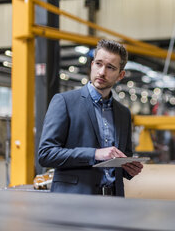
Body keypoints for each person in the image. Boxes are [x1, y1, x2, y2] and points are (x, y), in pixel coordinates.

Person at [38, 39, 143, 196]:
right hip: (75, 201)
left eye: (110, 67)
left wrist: (129, 169)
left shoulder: (123, 113)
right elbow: (46, 154)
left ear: (120, 75)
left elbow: (122, 158)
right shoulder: (65, 102)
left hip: (112, 200)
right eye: (99, 64)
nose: (102, 72)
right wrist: (95, 154)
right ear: (92, 64)